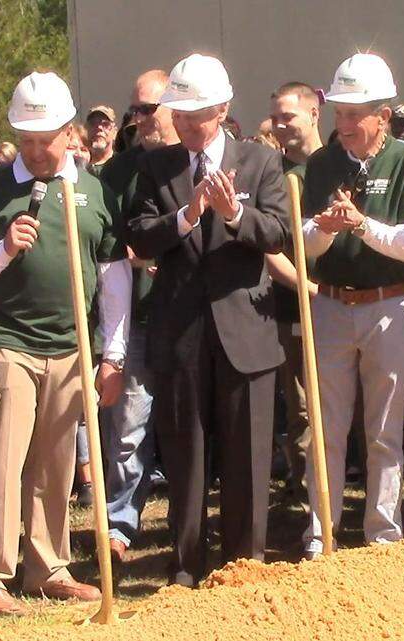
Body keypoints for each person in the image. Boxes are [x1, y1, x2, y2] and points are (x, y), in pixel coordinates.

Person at [0, 71, 130, 613]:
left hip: (71, 343)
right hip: (7, 340)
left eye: (44, 139)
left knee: (55, 461)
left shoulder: (93, 189)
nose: (35, 150)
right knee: (2, 457)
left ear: (67, 132)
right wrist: (2, 251)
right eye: (25, 140)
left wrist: (114, 352)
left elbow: (114, 272)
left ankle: (48, 566)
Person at [127, 53, 288, 586]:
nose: (186, 124)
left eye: (197, 114)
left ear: (222, 109)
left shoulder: (260, 162)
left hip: (246, 330)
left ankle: (245, 562)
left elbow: (278, 233)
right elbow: (140, 234)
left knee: (247, 454)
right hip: (182, 331)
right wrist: (186, 216)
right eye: (179, 114)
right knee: (186, 452)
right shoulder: (155, 167)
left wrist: (234, 216)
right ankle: (187, 563)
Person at [300, 53, 404, 557]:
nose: (345, 124)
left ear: (384, 117)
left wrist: (360, 225)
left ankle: (383, 536)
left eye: (356, 114)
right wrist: (325, 230)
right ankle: (320, 535)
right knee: (325, 429)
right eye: (340, 114)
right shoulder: (322, 164)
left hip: (390, 306)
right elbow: (305, 243)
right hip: (331, 304)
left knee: (384, 430)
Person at [98, 68, 180, 565]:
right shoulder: (118, 173)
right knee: (128, 429)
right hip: (138, 318)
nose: (138, 119)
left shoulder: (191, 164)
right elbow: (109, 247)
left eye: (148, 109)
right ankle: (119, 523)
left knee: (188, 423)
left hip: (190, 315)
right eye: (135, 110)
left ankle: (186, 522)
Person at [266, 81, 323, 499]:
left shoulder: (337, 166)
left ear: (314, 112)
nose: (280, 124)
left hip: (349, 303)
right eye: (276, 117)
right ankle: (309, 496)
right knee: (302, 405)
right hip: (293, 306)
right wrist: (308, 289)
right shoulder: (273, 175)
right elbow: (269, 250)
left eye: (289, 115)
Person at [85, 105, 117, 174]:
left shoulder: (123, 164)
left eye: (105, 124)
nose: (99, 127)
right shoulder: (79, 166)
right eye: (92, 124)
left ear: (114, 132)